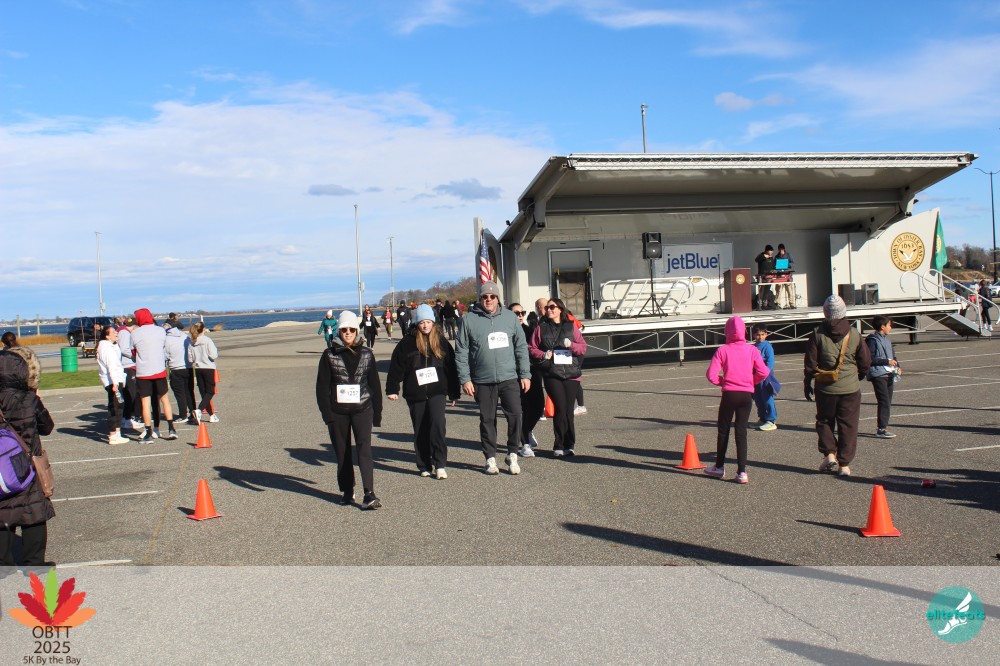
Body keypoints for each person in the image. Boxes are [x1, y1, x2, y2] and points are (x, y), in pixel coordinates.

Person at [455, 281, 532, 475]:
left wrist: (525, 374)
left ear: (498, 298)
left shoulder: (510, 317)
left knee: (516, 415)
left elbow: (521, 347)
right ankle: (490, 458)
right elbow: (461, 351)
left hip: (509, 378)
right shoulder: (468, 320)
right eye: (484, 297)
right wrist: (465, 379)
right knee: (487, 420)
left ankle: (512, 453)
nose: (488, 300)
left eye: (492, 296)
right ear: (480, 299)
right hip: (482, 380)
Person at [316, 311, 383, 509]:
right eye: (344, 329)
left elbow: (374, 384)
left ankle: (369, 493)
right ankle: (347, 490)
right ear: (339, 331)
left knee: (364, 449)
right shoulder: (329, 354)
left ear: (356, 331)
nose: (348, 333)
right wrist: (327, 414)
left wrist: (377, 413)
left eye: (351, 329)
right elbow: (322, 388)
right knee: (342, 452)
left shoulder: (367, 354)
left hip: (362, 408)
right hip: (338, 412)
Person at [386, 304, 459, 479]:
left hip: (437, 391)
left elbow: (451, 368)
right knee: (420, 429)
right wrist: (392, 388)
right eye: (421, 322)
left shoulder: (441, 341)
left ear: (433, 322)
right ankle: (424, 464)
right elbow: (396, 366)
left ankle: (440, 464)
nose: (425, 325)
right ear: (416, 323)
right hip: (415, 392)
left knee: (437, 425)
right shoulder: (407, 342)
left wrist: (454, 392)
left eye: (428, 322)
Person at [804, 295, 871, 477]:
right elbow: (865, 361)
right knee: (848, 425)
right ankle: (844, 464)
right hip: (850, 387)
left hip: (825, 388)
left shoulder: (817, 334)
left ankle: (829, 453)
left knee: (824, 420)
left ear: (825, 312)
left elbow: (810, 363)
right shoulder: (854, 334)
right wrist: (858, 375)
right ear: (843, 312)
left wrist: (807, 382)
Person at [0, 350, 56, 567]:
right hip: (27, 463)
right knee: (33, 512)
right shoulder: (28, 399)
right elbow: (47, 426)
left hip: (2, 466)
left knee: (3, 512)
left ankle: (4, 563)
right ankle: (34, 562)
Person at [704, 316, 770, 484]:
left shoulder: (723, 350)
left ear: (727, 331)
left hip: (729, 394)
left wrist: (723, 381)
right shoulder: (752, 350)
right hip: (746, 395)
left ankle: (719, 467)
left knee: (723, 430)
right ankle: (742, 472)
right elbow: (764, 372)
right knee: (741, 432)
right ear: (744, 331)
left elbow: (711, 375)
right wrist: (751, 381)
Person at [529, 297, 587, 458]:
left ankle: (570, 444)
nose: (549, 310)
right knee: (560, 408)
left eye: (552, 307)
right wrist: (543, 354)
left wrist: (571, 345)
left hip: (571, 374)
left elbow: (583, 348)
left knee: (568, 411)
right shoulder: (541, 328)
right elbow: (531, 347)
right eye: (547, 307)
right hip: (552, 373)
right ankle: (559, 445)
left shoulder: (571, 326)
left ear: (560, 309)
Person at [131, 308, 176, 442]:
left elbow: (132, 352)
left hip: (143, 371)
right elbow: (164, 347)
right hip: (159, 369)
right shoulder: (160, 330)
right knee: (164, 399)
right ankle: (171, 428)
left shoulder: (135, 333)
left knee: (146, 402)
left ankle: (149, 432)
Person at [510, 303, 542, 457]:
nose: (520, 315)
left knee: (539, 406)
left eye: (522, 312)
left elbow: (538, 349)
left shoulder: (531, 331)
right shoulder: (507, 332)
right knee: (523, 408)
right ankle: (525, 444)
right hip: (514, 374)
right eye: (516, 313)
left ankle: (527, 430)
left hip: (532, 371)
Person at [866, 316, 900, 439]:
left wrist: (898, 366)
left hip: (889, 373)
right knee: (884, 400)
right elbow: (870, 359)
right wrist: (886, 361)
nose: (891, 327)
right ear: (882, 326)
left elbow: (893, 356)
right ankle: (881, 429)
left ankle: (883, 426)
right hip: (878, 374)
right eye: (889, 325)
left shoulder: (887, 340)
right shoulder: (872, 340)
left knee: (888, 401)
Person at [96, 326, 130, 445]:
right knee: (115, 408)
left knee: (117, 406)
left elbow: (117, 359)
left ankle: (117, 433)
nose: (116, 333)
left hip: (115, 380)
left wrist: (115, 344)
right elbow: (112, 366)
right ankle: (113, 435)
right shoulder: (106, 348)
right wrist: (115, 383)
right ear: (107, 336)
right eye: (113, 332)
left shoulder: (111, 346)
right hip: (113, 381)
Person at [164, 321, 197, 425]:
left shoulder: (167, 339)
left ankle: (183, 414)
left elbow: (165, 355)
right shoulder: (184, 336)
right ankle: (193, 412)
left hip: (176, 368)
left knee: (179, 393)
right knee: (189, 391)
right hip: (188, 367)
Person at [188, 322, 220, 423]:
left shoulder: (192, 342)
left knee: (203, 392)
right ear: (203, 329)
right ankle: (199, 409)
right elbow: (213, 355)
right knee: (210, 391)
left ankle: (211, 415)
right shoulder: (207, 340)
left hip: (198, 368)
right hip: (208, 367)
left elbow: (190, 359)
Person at [752, 324, 778, 431]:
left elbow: (770, 362)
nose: (760, 337)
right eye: (758, 335)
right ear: (754, 335)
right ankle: (762, 418)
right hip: (755, 377)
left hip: (765, 377)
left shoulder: (767, 346)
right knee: (758, 398)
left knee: (767, 398)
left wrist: (764, 373)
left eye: (763, 334)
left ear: (766, 334)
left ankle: (771, 420)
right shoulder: (753, 347)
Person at [117, 315, 140, 432]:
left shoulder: (122, 331)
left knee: (128, 393)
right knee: (130, 393)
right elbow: (124, 349)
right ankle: (128, 418)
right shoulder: (125, 333)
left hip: (126, 365)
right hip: (127, 365)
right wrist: (135, 356)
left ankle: (127, 417)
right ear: (134, 326)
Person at [775, 244, 796, 309]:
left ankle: (792, 304)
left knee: (790, 290)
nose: (781, 251)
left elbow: (793, 263)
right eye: (779, 249)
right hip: (780, 275)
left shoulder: (788, 255)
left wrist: (786, 264)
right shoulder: (777, 257)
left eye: (782, 249)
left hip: (787, 275)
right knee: (778, 290)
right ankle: (778, 303)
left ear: (784, 249)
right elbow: (774, 265)